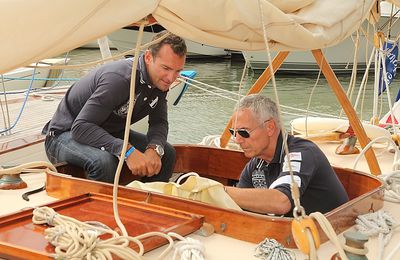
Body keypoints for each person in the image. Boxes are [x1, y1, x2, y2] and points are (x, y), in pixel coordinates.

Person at [42, 31, 187, 184]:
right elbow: (81, 127)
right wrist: (127, 151)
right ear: (148, 57)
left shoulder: (160, 82)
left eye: (177, 71)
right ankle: (104, 206)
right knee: (103, 162)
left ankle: (143, 203)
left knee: (167, 153)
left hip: (108, 132)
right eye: (166, 68)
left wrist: (155, 149)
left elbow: (159, 123)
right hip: (64, 134)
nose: (171, 78)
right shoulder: (119, 79)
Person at [225, 94, 349, 216]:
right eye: (233, 132)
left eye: (243, 132)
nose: (237, 139)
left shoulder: (302, 153)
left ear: (270, 127)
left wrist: (219, 190)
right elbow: (237, 207)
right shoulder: (255, 165)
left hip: (331, 230)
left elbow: (281, 202)